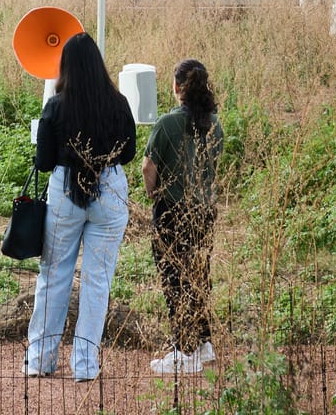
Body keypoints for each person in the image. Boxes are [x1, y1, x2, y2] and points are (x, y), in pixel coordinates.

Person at [25, 33, 136, 382]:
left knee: (54, 275)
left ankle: (40, 360)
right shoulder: (118, 102)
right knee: (97, 282)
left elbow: (43, 162)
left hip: (66, 190)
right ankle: (85, 366)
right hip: (110, 189)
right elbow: (129, 153)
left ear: (66, 67)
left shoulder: (56, 106)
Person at [145, 60, 224, 375]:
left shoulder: (167, 123)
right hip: (205, 210)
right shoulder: (214, 123)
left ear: (177, 87)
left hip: (173, 211)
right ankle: (204, 343)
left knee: (175, 279)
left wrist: (154, 193)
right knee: (200, 274)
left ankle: (184, 350)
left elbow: (148, 167)